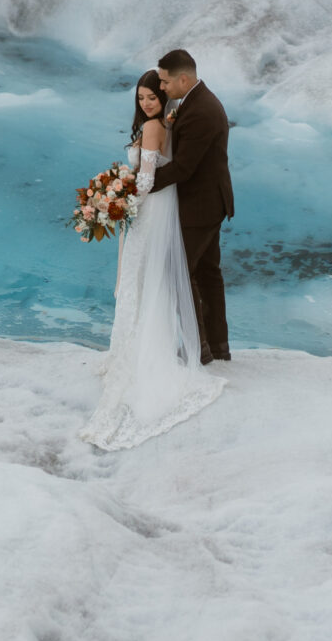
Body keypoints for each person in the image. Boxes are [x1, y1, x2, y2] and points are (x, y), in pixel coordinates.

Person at [78, 69, 223, 449]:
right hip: (151, 208)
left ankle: (146, 354)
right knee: (144, 278)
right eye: (141, 97)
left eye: (152, 98)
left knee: (141, 278)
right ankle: (152, 347)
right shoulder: (162, 123)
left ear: (164, 100)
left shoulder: (156, 128)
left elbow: (144, 180)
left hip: (149, 209)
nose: (145, 103)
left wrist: (115, 202)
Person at [144, 49, 233, 363]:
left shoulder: (201, 111)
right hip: (210, 203)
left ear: (184, 78)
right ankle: (217, 346)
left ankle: (201, 349)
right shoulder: (195, 103)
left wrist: (140, 185)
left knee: (176, 273)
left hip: (200, 208)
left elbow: (183, 168)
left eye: (166, 81)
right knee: (208, 274)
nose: (163, 87)